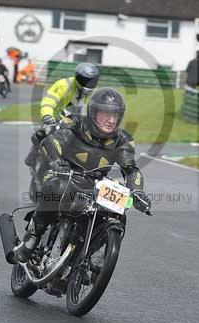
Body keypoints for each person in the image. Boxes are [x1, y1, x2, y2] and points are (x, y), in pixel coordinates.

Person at [13, 88, 151, 262]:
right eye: (105, 114)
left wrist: (137, 190)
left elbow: (131, 168)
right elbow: (54, 140)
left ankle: (85, 258)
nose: (111, 120)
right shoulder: (75, 122)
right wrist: (56, 162)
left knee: (119, 214)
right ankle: (32, 239)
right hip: (63, 172)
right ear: (93, 113)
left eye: (115, 115)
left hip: (94, 185)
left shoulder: (123, 139)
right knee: (57, 187)